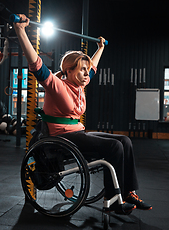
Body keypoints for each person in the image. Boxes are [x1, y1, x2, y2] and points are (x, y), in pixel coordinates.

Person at [14, 14, 152, 214]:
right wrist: (20, 31)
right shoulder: (57, 85)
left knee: (125, 141)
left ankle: (127, 192)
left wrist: (100, 48)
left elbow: (93, 67)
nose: (87, 74)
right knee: (114, 147)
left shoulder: (80, 83)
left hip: (78, 133)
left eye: (86, 71)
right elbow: (36, 64)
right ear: (68, 71)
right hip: (62, 136)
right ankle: (112, 198)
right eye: (81, 70)